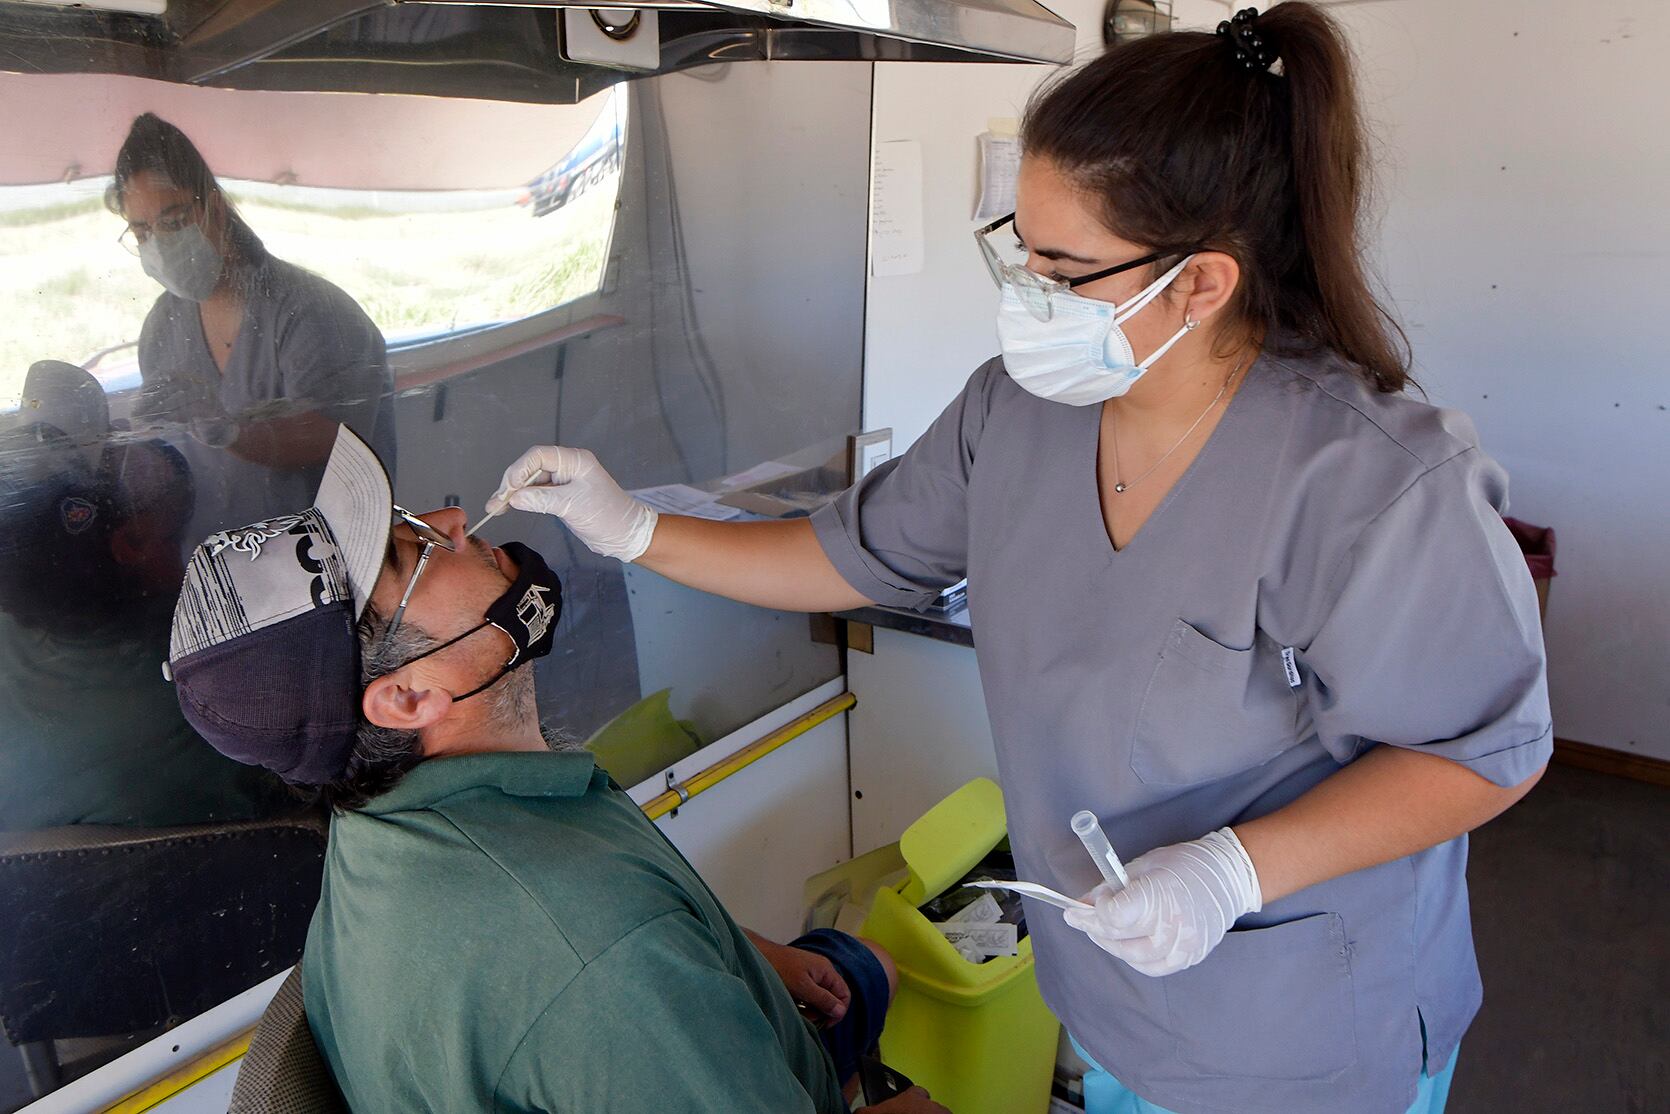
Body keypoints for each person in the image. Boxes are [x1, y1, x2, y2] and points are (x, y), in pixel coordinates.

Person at [479, 6, 1552, 1113]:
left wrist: (1234, 868)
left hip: (1298, 1024)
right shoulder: (1018, 414)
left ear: (1200, 281)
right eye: (1018, 247)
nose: (1025, 290)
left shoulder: (1371, 482)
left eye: (1063, 265)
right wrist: (635, 529)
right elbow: (846, 559)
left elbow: (1487, 752)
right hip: (1112, 992)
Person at [162, 426, 946, 1114]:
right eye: (412, 552)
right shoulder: (599, 953)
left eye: (406, 520)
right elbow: (593, 960)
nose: (450, 521)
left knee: (869, 964)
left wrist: (728, 949)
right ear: (406, 697)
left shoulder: (383, 822)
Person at [0, 361, 282, 829]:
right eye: (111, 458)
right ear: (134, 543)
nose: (125, 436)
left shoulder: (23, 608)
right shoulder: (227, 693)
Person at [108, 112, 395, 542]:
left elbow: (331, 441)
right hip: (215, 562)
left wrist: (226, 428)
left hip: (317, 561)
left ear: (216, 210)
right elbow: (179, 457)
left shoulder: (312, 312)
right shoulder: (163, 325)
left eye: (173, 222)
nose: (160, 245)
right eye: (142, 230)